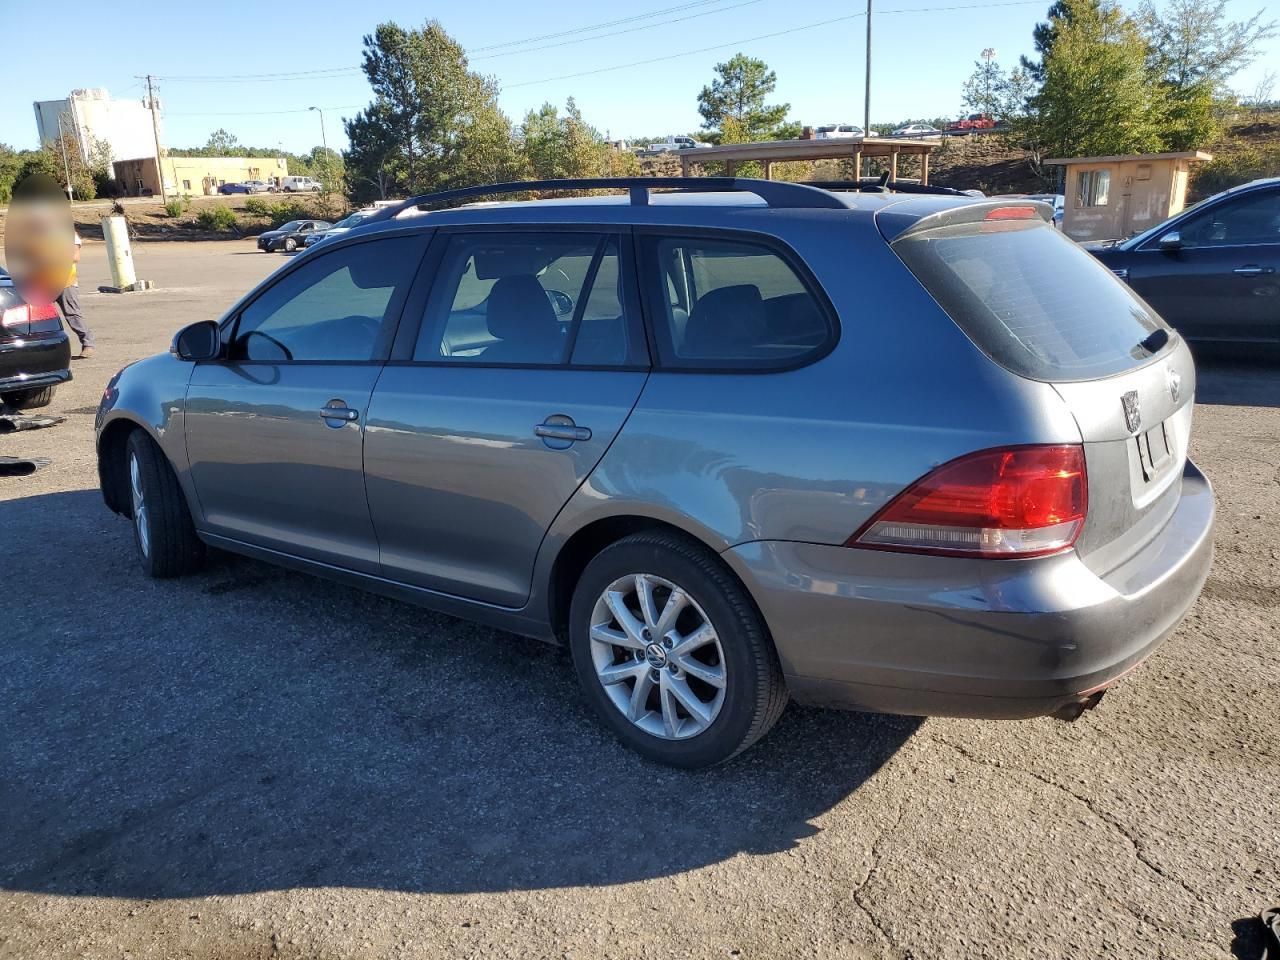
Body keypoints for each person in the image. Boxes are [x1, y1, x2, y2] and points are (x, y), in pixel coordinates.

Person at [58, 230, 94, 359]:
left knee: (72, 314)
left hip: (65, 281)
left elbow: (75, 257)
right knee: (36, 316)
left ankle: (88, 343)